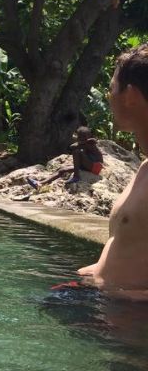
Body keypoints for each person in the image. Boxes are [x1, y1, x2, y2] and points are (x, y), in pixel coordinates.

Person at [77, 44, 148, 296]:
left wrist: (124, 297)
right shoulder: (144, 168)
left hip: (127, 314)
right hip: (103, 300)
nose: (108, 97)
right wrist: (98, 272)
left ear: (129, 95)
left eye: (111, 89)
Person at [26, 126, 103, 189]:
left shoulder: (91, 143)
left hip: (95, 167)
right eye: (80, 136)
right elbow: (72, 146)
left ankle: (76, 176)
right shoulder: (82, 143)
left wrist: (80, 142)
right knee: (62, 170)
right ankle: (40, 184)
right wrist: (79, 142)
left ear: (88, 136)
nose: (82, 138)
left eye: (84, 136)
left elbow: (74, 147)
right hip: (87, 165)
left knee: (76, 152)